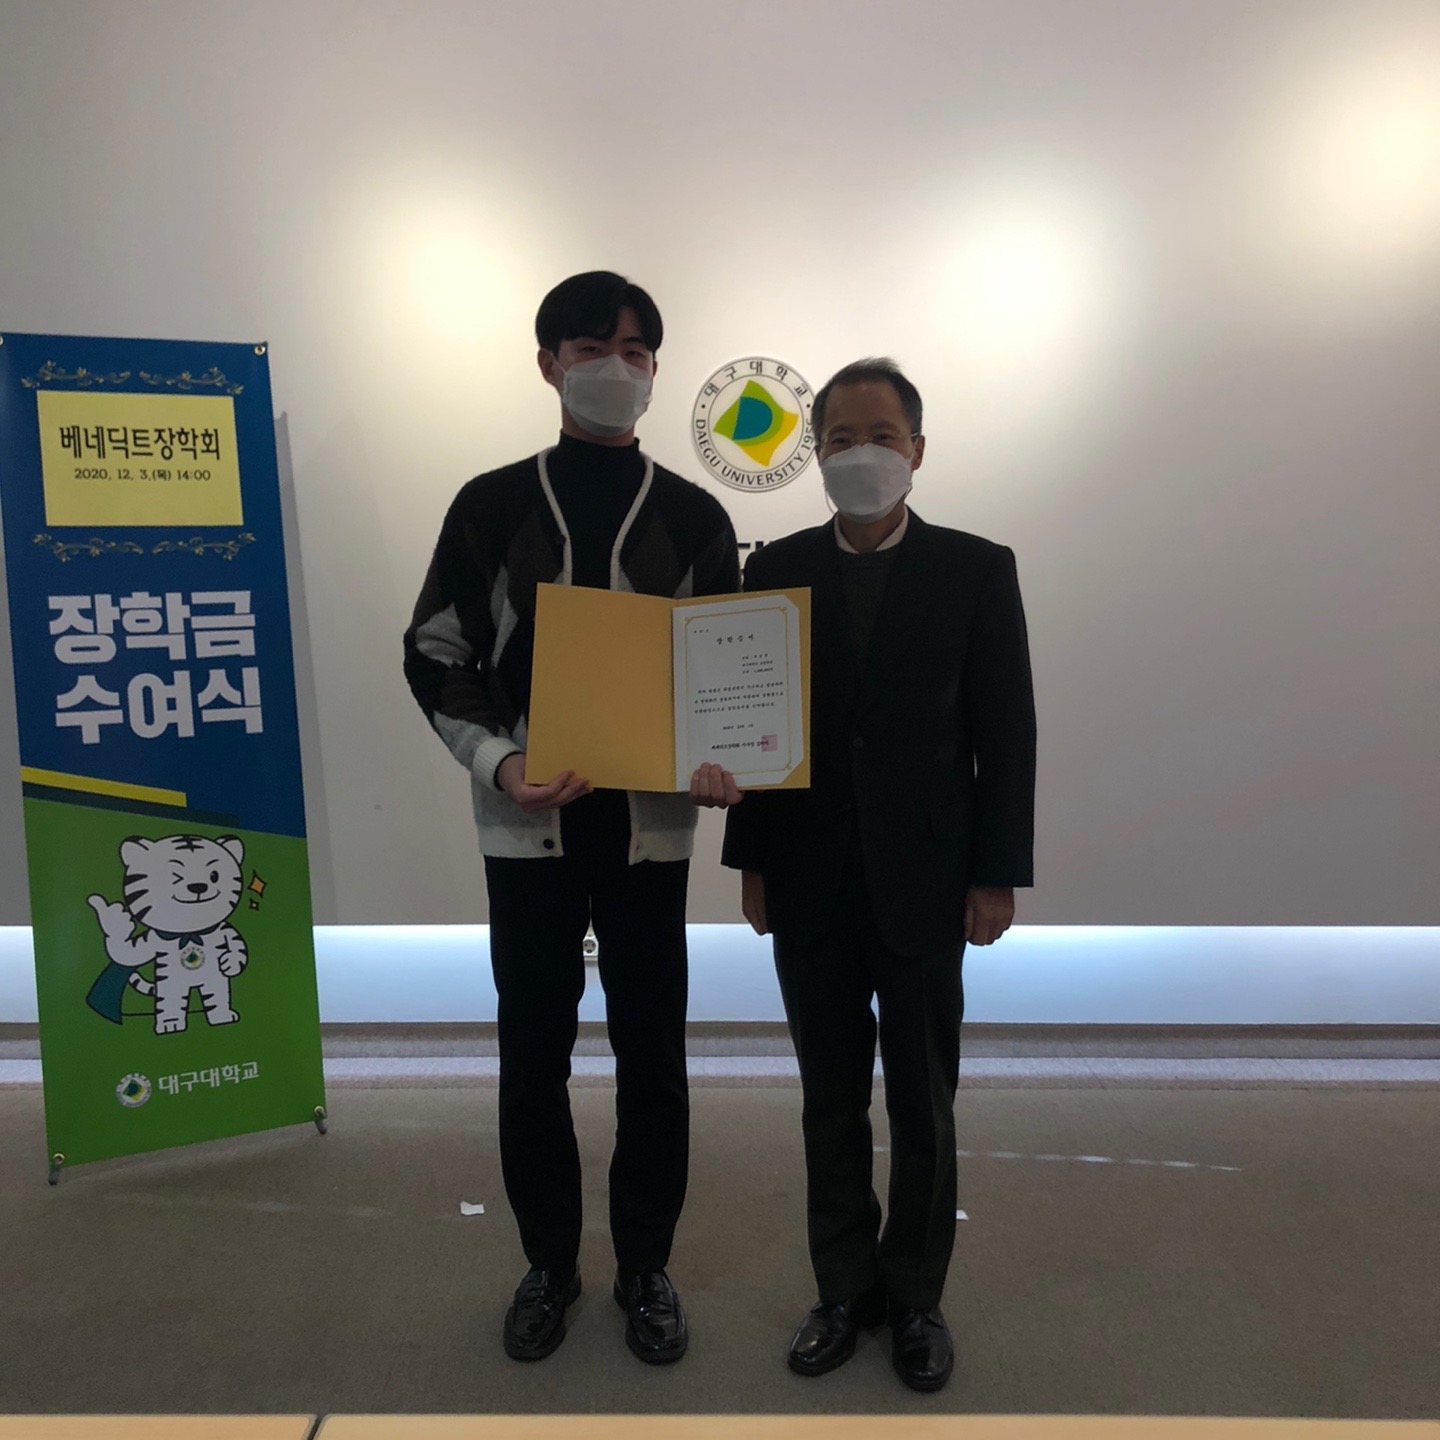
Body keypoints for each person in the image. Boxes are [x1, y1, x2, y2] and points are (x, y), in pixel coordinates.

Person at [404, 271, 739, 1365]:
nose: (616, 368)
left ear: (656, 371)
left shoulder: (695, 517)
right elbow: (436, 652)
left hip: (649, 835)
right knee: (532, 1052)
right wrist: (500, 763)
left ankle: (646, 1267)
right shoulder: (491, 505)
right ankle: (549, 1263)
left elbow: (727, 675)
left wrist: (729, 760)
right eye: (593, 348)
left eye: (637, 351)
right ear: (549, 363)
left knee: (655, 1056)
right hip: (528, 829)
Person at [715, 357, 1036, 1392]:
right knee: (829, 1099)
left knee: (924, 1104)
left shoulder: (977, 568)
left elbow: (1006, 733)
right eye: (840, 439)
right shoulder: (775, 570)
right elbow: (752, 729)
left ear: (918, 451)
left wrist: (997, 875)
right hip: (806, 871)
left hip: (929, 879)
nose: (862, 455)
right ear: (815, 455)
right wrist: (750, 861)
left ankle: (917, 1296)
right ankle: (843, 1290)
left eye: (882, 437)